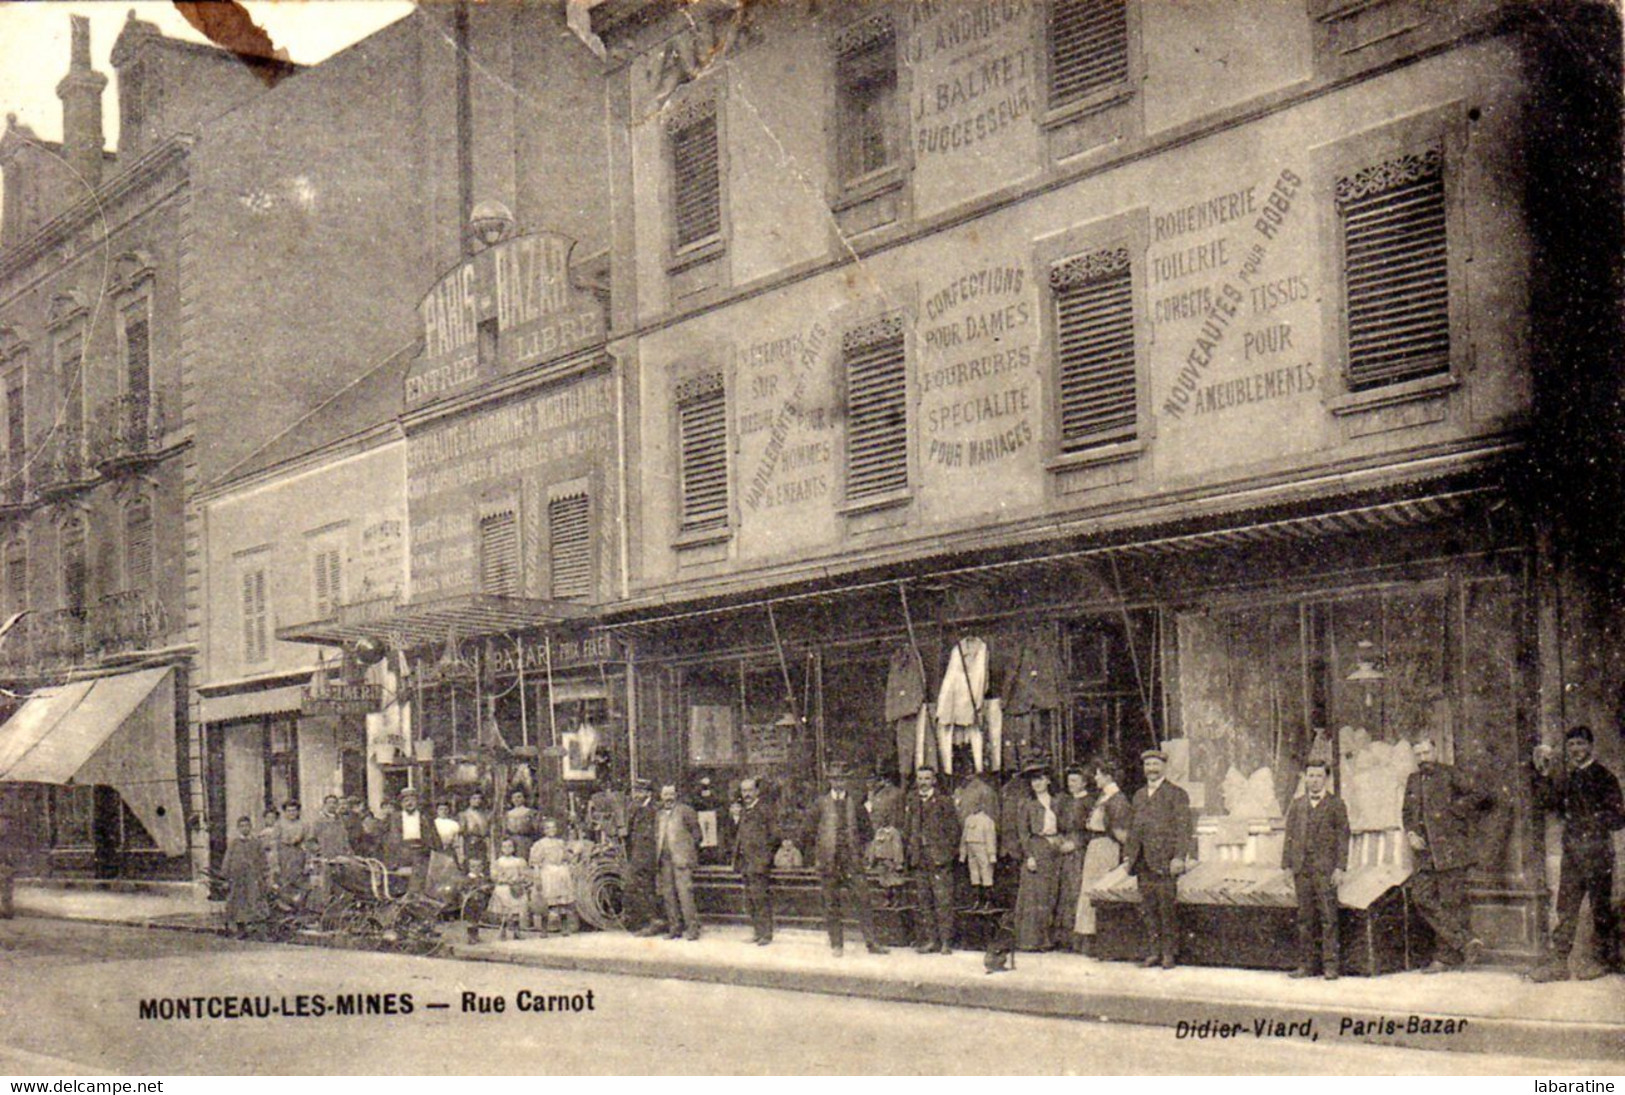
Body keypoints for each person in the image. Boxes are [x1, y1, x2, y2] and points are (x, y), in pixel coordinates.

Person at [1529, 726, 1624, 981]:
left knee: (1600, 909)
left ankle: (1603, 961)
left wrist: (1588, 822)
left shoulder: (1605, 778)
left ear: (1591, 746)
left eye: (1580, 744)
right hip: (1572, 853)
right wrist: (1545, 775)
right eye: (1571, 745)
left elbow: (1618, 819)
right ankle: (1559, 964)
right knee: (1566, 908)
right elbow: (1549, 804)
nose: (1575, 750)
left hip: (1597, 852)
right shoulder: (1569, 778)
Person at [1402, 737, 1493, 972]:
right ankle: (1465, 941)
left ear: (1435, 751)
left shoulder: (1450, 774)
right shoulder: (1413, 780)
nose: (1423, 759)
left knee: (1450, 903)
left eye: (1426, 752)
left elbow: (1482, 794)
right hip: (1425, 853)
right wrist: (1411, 833)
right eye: (1418, 754)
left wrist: (1455, 811)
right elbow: (1407, 812)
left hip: (1450, 850)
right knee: (1421, 897)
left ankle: (1443, 959)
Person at [804, 762, 888, 956]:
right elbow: (808, 831)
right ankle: (837, 944)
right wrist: (818, 854)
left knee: (863, 901)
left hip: (851, 861)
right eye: (834, 778)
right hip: (829, 862)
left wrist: (861, 852)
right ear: (830, 780)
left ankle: (872, 943)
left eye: (842, 778)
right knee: (831, 904)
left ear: (847, 781)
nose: (838, 782)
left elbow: (867, 832)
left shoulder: (856, 802)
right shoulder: (820, 803)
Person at [1123, 749, 1195, 969]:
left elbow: (1184, 829)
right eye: (1147, 765)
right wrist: (1128, 854)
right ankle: (1153, 952)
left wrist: (1179, 857)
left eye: (1155, 765)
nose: (1151, 769)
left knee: (1166, 909)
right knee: (1148, 909)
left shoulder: (1177, 793)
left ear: (1164, 767)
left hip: (1165, 861)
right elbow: (1133, 829)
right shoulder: (1138, 795)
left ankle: (1169, 954)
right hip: (1142, 860)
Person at [1282, 760, 1350, 980]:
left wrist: (1340, 867)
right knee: (1305, 918)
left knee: (1328, 917)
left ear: (1326, 779)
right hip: (1302, 869)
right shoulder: (1298, 805)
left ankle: (1330, 966)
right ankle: (1306, 965)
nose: (1314, 780)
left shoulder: (1336, 804)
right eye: (1310, 776)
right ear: (1305, 777)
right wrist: (1286, 866)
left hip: (1325, 870)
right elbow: (1289, 837)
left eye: (1319, 776)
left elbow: (1343, 838)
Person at [1074, 758, 1131, 951]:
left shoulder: (1117, 799)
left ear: (1107, 776)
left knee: (1100, 889)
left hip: (1107, 848)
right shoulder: (1104, 796)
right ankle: (1090, 937)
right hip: (1096, 847)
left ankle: (1101, 940)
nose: (1095, 778)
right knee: (1090, 889)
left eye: (1098, 774)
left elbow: (1121, 831)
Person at [1013, 763, 1070, 951]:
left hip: (1055, 848)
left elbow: (1065, 825)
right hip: (1036, 848)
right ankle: (1032, 941)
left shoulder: (1058, 801)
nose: (1036, 784)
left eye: (1040, 779)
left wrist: (1061, 841)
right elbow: (1023, 833)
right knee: (1035, 896)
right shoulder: (1026, 804)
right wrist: (1029, 856)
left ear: (1048, 780)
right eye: (1033, 780)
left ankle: (1049, 939)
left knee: (1052, 894)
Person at [903, 767, 960, 954]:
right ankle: (932, 941)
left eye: (927, 778)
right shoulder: (912, 800)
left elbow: (953, 831)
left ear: (934, 780)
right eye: (920, 778)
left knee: (943, 901)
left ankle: (946, 942)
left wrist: (946, 855)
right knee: (925, 902)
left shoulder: (944, 802)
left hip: (939, 859)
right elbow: (908, 828)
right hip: (920, 858)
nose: (923, 782)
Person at [732, 777, 777, 945]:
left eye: (750, 790)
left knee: (761, 899)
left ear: (757, 791)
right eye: (744, 791)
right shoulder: (744, 811)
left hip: (758, 863)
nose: (746, 794)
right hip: (745, 863)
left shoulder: (765, 810)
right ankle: (757, 932)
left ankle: (766, 934)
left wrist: (765, 858)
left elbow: (774, 836)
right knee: (750, 900)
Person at [655, 783, 703, 940]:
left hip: (681, 860)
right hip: (664, 860)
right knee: (668, 895)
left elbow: (697, 835)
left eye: (671, 794)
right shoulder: (659, 814)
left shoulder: (685, 811)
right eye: (665, 794)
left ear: (676, 795)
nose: (668, 798)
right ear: (661, 796)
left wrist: (686, 852)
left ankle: (692, 929)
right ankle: (674, 928)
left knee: (685, 895)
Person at [1056, 767, 1092, 948]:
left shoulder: (1089, 802)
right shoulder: (1066, 801)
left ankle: (1080, 941)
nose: (1071, 785)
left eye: (1075, 781)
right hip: (1065, 851)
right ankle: (1066, 939)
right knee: (1066, 891)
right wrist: (1061, 841)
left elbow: (1092, 830)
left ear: (1084, 782)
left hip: (1081, 852)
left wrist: (1077, 844)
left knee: (1078, 891)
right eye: (1069, 781)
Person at [624, 778, 664, 936]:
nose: (636, 794)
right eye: (636, 791)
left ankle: (652, 922)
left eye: (640, 791)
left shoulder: (654, 809)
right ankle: (641, 922)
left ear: (648, 792)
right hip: (637, 855)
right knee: (637, 888)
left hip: (648, 857)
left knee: (648, 889)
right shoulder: (636, 807)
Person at [221, 816, 270, 936]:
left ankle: (251, 926)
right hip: (237, 878)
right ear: (238, 828)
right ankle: (239, 927)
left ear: (251, 827)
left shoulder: (256, 843)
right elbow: (228, 859)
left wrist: (263, 875)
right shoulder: (234, 843)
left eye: (247, 826)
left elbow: (262, 860)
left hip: (252, 878)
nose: (244, 828)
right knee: (237, 902)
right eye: (242, 826)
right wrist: (225, 877)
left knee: (252, 900)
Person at [530, 816, 578, 935]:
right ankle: (544, 929)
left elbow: (568, 857)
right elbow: (536, 862)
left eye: (553, 827)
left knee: (563, 901)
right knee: (547, 901)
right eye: (548, 828)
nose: (551, 830)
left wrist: (573, 854)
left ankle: (564, 927)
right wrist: (537, 877)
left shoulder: (561, 842)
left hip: (561, 872)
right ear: (544, 830)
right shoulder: (540, 844)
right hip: (548, 872)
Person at [489, 837, 530, 940]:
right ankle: (503, 931)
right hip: (503, 888)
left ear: (514, 848)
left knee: (516, 909)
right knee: (504, 911)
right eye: (504, 846)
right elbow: (494, 876)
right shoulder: (498, 862)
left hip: (515, 887)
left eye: (510, 846)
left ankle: (516, 931)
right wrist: (504, 880)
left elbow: (525, 874)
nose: (507, 849)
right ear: (501, 848)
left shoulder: (519, 861)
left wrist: (518, 879)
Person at [459, 791, 492, 872]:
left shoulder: (485, 814)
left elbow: (487, 831)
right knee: (470, 864)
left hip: (483, 843)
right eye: (474, 798)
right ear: (469, 800)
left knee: (483, 864)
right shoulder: (464, 814)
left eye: (479, 798)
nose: (477, 801)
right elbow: (461, 834)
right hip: (470, 843)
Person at [505, 790, 539, 861]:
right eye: (514, 798)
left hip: (525, 841)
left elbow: (536, 829)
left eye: (519, 797)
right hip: (512, 841)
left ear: (524, 798)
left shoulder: (530, 813)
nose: (516, 800)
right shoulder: (508, 814)